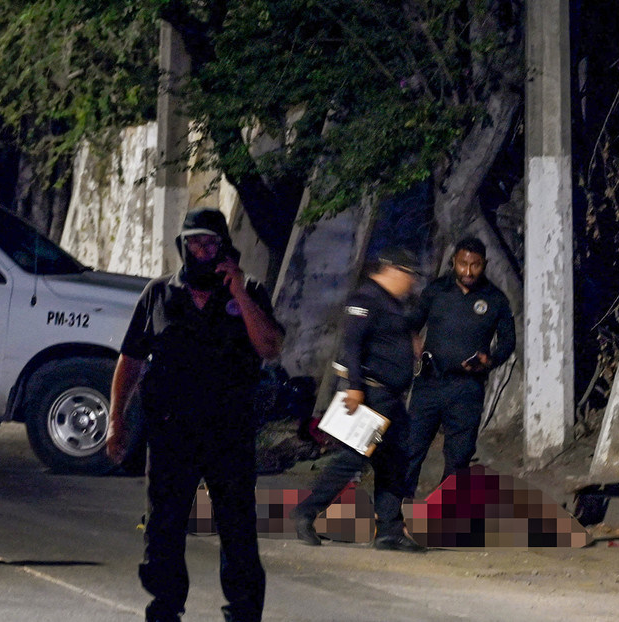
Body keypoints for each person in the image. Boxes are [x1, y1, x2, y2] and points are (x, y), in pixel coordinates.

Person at [107, 208, 284, 622]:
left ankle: (242, 612)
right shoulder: (159, 294)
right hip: (171, 433)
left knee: (237, 528)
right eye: (194, 242)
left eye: (209, 242)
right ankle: (165, 608)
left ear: (224, 245)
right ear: (183, 246)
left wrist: (239, 292)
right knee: (164, 528)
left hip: (230, 432)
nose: (201, 250)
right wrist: (117, 420)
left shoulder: (250, 290)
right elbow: (130, 360)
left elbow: (270, 347)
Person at [291, 247, 425, 553]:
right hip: (371, 394)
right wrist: (354, 387)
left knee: (394, 461)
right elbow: (352, 345)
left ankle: (390, 529)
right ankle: (306, 511)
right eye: (409, 275)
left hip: (391, 398)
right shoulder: (366, 299)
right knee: (353, 458)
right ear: (393, 271)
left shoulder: (391, 304)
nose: (411, 283)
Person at [403, 236, 515, 498]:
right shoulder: (435, 291)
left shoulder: (495, 299)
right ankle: (393, 513)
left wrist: (491, 360)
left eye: (475, 265)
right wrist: (413, 339)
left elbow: (508, 341)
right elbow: (412, 322)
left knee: (460, 454)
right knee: (411, 447)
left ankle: (444, 513)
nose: (468, 271)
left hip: (467, 387)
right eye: (463, 264)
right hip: (429, 382)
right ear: (454, 261)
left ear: (484, 264)